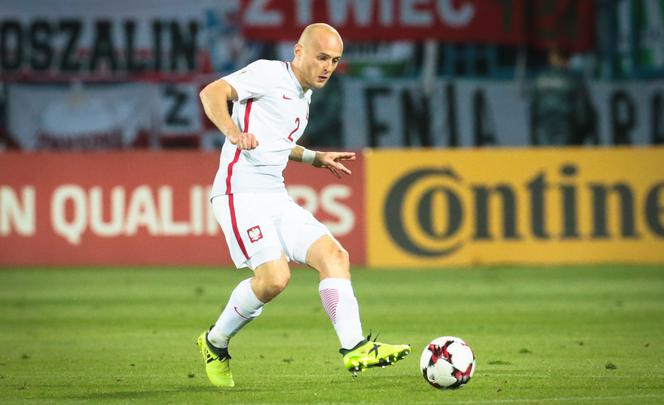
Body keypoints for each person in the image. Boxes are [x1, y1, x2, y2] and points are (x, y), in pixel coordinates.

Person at [197, 23, 410, 388]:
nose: (328, 67)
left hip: (274, 195)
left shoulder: (303, 95)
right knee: (274, 279)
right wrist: (233, 133)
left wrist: (314, 157)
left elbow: (277, 143)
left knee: (334, 255)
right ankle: (215, 342)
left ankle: (355, 347)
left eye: (335, 60)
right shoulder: (268, 73)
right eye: (322, 57)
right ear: (299, 52)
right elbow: (211, 92)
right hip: (239, 194)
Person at [529, 45, 594, 146]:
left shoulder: (539, 82)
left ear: (550, 60)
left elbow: (533, 115)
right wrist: (581, 140)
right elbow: (583, 116)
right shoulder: (575, 81)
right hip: (569, 139)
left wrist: (534, 142)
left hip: (542, 140)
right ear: (568, 61)